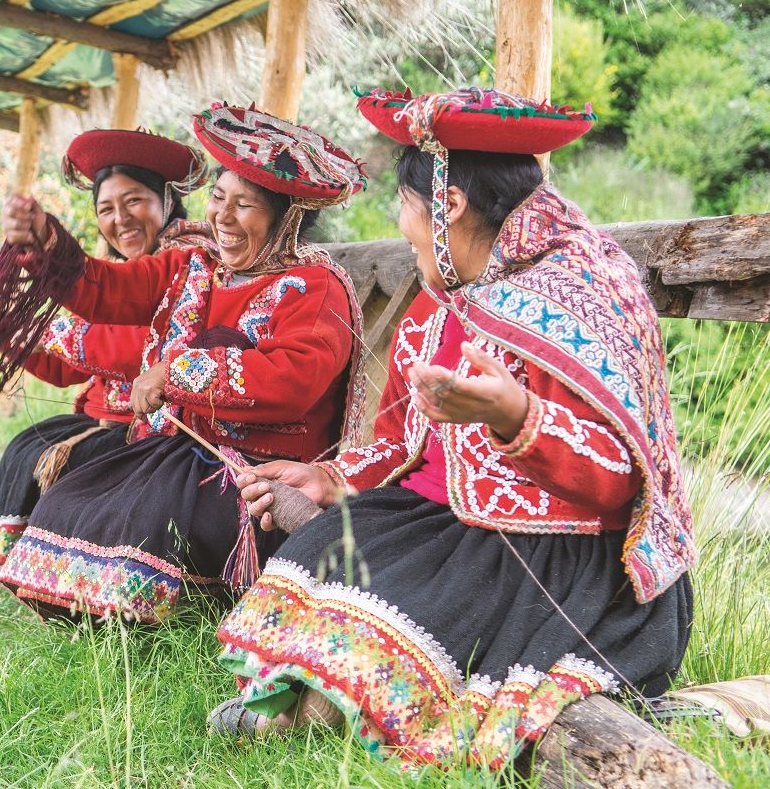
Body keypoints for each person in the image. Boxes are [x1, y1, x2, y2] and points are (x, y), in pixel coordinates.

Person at [210, 88, 695, 770]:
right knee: (313, 564)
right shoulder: (446, 298)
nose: (401, 224)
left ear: (450, 205)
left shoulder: (578, 292)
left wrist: (516, 418)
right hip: (446, 526)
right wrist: (329, 478)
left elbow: (620, 483)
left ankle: (314, 709)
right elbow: (404, 433)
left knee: (373, 636)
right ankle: (313, 702)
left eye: (404, 205)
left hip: (554, 560)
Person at [0, 103, 370, 624]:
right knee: (71, 501)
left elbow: (292, 382)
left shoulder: (314, 286)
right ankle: (115, 620)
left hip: (254, 472)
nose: (222, 215)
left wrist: (174, 374)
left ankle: (168, 617)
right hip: (173, 452)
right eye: (218, 197)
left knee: (151, 519)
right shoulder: (191, 264)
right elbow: (107, 291)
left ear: (289, 217)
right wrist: (45, 242)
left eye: (246, 205)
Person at [0, 129, 214, 566]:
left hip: (160, 431)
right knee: (28, 446)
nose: (120, 219)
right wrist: (6, 335)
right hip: (105, 419)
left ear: (167, 201)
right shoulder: (123, 268)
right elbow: (69, 371)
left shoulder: (192, 261)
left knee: (71, 460)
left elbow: (136, 347)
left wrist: (49, 328)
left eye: (134, 201)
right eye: (106, 208)